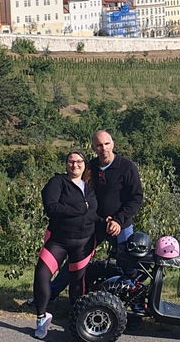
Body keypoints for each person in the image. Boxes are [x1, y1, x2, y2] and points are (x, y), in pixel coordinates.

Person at [42, 130, 144, 303]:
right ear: (93, 148)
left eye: (106, 144)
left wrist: (118, 220)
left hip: (121, 225)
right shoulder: (90, 168)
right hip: (94, 224)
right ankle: (48, 295)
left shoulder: (127, 167)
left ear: (112, 144)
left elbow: (136, 198)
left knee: (129, 266)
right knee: (76, 261)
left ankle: (135, 306)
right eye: (99, 145)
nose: (103, 148)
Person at [33, 150, 98, 339]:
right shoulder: (58, 182)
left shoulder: (90, 190)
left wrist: (109, 221)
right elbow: (51, 207)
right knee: (42, 274)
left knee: (77, 284)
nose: (75, 165)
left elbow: (94, 215)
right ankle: (41, 319)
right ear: (66, 164)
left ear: (84, 165)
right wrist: (79, 208)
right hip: (58, 241)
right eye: (71, 161)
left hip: (84, 243)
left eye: (79, 161)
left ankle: (77, 322)